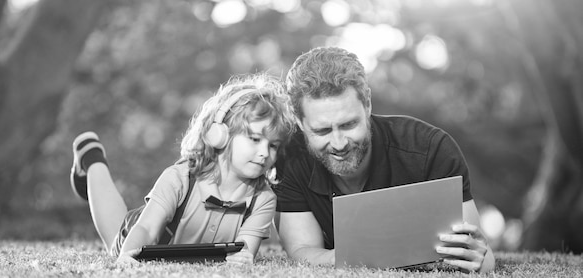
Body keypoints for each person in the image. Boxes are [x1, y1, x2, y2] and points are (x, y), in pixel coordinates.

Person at [273, 47, 495, 273]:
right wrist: (359, 257)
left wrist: (477, 258)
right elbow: (302, 250)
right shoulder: (290, 157)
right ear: (299, 121)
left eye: (349, 124)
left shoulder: (432, 150)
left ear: (367, 103)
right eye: (322, 131)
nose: (339, 143)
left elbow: (480, 257)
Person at [69, 73, 295, 265]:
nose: (265, 152)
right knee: (115, 242)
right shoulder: (181, 178)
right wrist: (128, 256)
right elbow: (147, 229)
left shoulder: (263, 199)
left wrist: (243, 259)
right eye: (255, 139)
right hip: (144, 232)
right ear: (219, 135)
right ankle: (91, 157)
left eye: (273, 145)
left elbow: (245, 249)